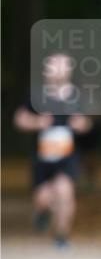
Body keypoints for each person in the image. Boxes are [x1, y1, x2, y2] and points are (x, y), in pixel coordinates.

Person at [13, 52, 92, 248]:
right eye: (52, 66)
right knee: (43, 198)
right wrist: (37, 122)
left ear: (69, 70)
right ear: (46, 71)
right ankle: (43, 211)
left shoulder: (77, 96)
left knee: (65, 192)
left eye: (60, 65)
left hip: (67, 156)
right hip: (42, 157)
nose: (56, 70)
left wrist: (81, 124)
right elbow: (19, 119)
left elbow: (87, 123)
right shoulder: (37, 96)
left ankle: (61, 236)